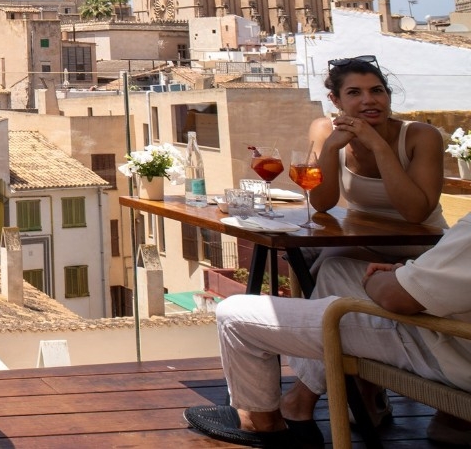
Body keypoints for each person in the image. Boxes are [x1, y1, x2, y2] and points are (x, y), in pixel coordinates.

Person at [183, 213, 471, 448]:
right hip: (454, 336)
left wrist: (382, 281)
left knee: (233, 316)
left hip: (443, 349)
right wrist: (404, 276)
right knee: (336, 268)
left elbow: (396, 298)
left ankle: (262, 425)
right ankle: (301, 404)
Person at [308, 55, 446, 259]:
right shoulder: (324, 130)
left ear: (388, 95)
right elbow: (321, 203)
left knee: (330, 264)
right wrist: (330, 148)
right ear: (335, 100)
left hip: (422, 246)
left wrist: (378, 145)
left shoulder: (421, 136)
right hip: (363, 238)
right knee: (307, 256)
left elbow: (416, 214)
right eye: (354, 92)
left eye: (377, 90)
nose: (369, 100)